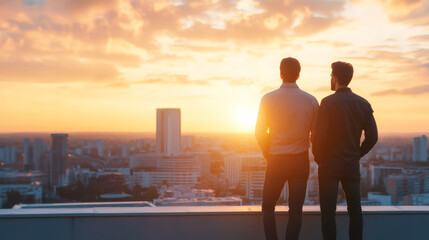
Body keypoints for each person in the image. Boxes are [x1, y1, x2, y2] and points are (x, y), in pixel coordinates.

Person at [312, 61, 378, 240]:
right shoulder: (363, 103)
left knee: (328, 211)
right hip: (351, 165)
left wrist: (320, 159)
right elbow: (372, 137)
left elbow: (318, 137)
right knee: (355, 210)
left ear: (334, 77)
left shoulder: (327, 103)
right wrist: (357, 154)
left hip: (329, 165)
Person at [255, 57, 319, 240]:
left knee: (268, 205)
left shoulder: (268, 99)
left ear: (280, 73)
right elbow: (316, 135)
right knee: (296, 207)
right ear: (299, 75)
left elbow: (259, 132)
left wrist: (268, 153)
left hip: (276, 158)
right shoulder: (311, 100)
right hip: (300, 159)